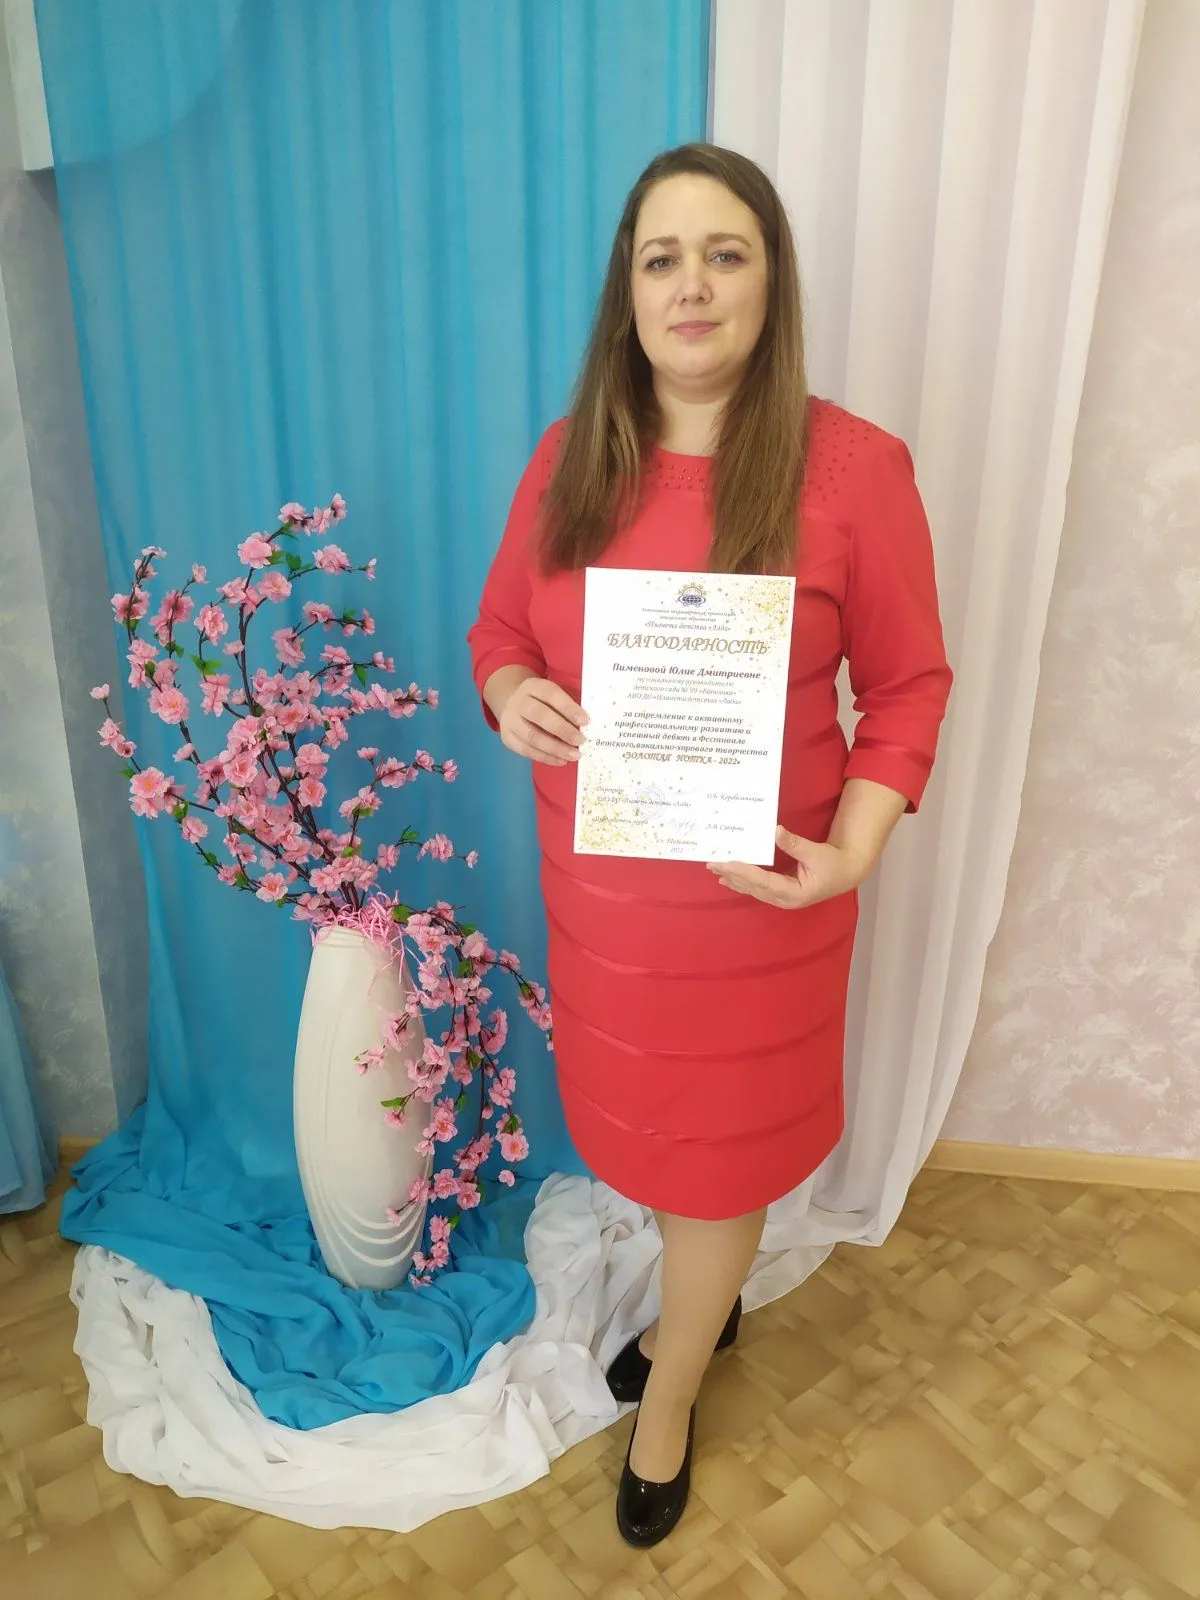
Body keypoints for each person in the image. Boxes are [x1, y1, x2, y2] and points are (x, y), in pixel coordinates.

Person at [467, 142, 952, 1548]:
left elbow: (909, 687)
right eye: (662, 258)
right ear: (628, 294)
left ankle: (669, 1397)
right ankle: (706, 1300)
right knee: (655, 1150)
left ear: (770, 282)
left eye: (724, 254)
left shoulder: (856, 470)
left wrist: (852, 850)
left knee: (721, 1167)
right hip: (607, 914)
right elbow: (500, 631)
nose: (692, 285)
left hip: (757, 917)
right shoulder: (572, 458)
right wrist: (511, 691)